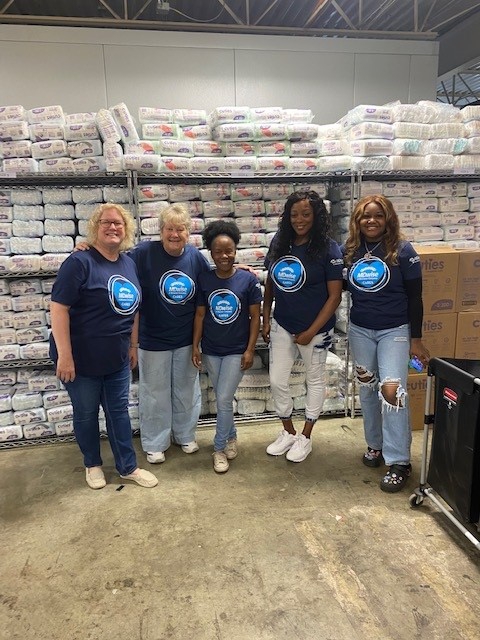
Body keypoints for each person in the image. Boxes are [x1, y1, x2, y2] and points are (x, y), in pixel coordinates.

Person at [49, 203, 158, 489]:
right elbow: (59, 308)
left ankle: (128, 467)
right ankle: (92, 464)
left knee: (118, 412)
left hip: (117, 356)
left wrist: (133, 345)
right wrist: (65, 356)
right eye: (106, 222)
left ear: (127, 230)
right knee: (86, 413)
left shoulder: (128, 262)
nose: (113, 227)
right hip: (81, 359)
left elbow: (133, 308)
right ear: (95, 228)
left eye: (118, 223)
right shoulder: (80, 262)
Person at [343, 194, 430, 493]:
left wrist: (416, 341)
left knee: (392, 391)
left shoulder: (403, 251)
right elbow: (331, 284)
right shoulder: (351, 251)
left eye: (378, 215)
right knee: (368, 390)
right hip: (360, 330)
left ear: (388, 218)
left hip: (394, 330)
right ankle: (375, 445)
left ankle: (399, 460)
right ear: (357, 221)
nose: (371, 220)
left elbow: (416, 299)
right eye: (365, 216)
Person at [262, 190, 343, 462]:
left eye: (306, 214)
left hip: (316, 329)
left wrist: (311, 331)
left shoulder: (329, 248)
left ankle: (306, 436)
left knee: (314, 380)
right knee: (277, 380)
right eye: (294, 214)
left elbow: (335, 297)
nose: (299, 219)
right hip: (283, 323)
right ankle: (288, 432)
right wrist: (266, 317)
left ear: (317, 216)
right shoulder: (280, 242)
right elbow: (270, 284)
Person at [130, 203, 211, 463]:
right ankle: (155, 442)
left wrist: (237, 270)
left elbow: (211, 283)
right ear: (161, 231)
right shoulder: (143, 253)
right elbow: (114, 262)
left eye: (180, 229)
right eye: (169, 229)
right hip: (152, 339)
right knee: (154, 393)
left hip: (186, 339)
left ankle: (185, 435)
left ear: (189, 232)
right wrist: (86, 249)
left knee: (187, 389)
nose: (174, 234)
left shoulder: (195, 258)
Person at [192, 220, 262, 473]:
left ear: (236, 250)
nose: (224, 256)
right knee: (223, 400)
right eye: (218, 251)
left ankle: (219, 447)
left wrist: (250, 349)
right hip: (211, 350)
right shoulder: (204, 279)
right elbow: (199, 316)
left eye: (229, 250)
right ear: (211, 252)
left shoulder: (247, 280)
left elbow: (256, 317)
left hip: (236, 351)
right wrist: (195, 346)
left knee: (222, 399)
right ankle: (231, 436)